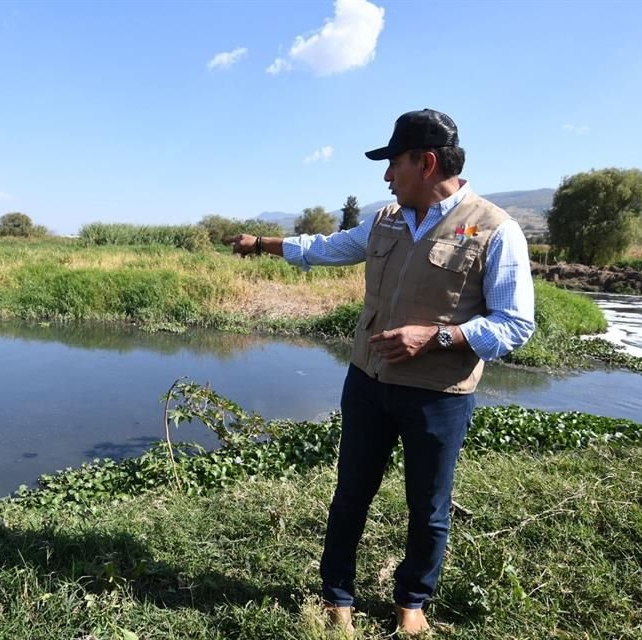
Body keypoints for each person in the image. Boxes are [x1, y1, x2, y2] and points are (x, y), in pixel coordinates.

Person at [227, 109, 535, 636]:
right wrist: (262, 244)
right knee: (351, 493)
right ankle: (336, 597)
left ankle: (412, 601)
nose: (387, 177)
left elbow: (515, 324)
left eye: (394, 164)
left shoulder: (495, 230)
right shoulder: (385, 221)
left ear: (427, 163)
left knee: (428, 506)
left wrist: (437, 336)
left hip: (438, 395)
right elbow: (326, 248)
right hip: (367, 384)